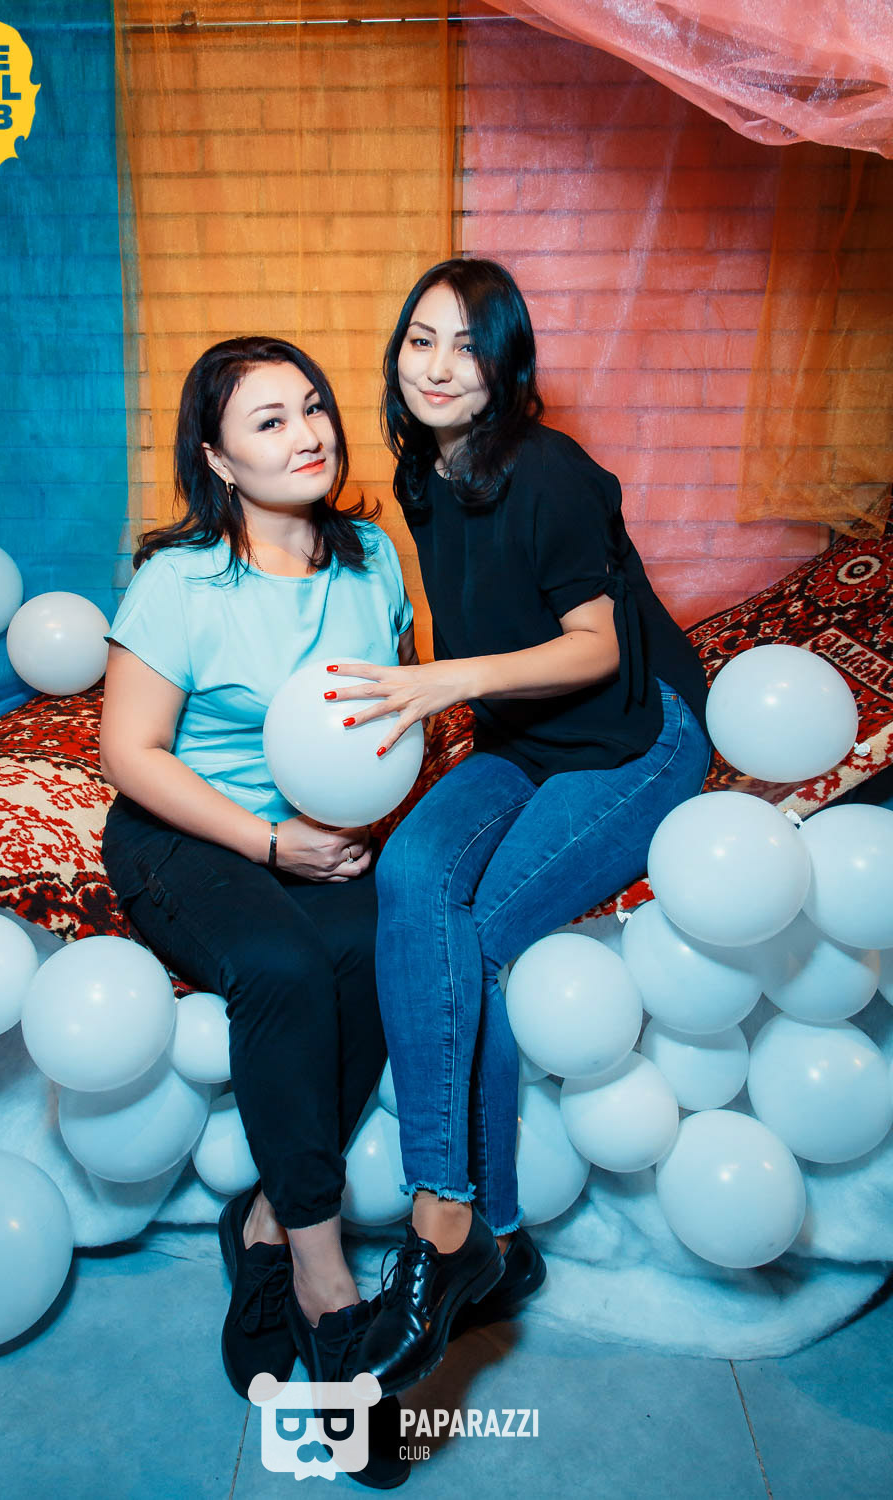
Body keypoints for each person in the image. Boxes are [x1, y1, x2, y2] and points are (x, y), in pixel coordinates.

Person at [322, 259, 711, 1396]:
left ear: (506, 367)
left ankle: (448, 1227)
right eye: (421, 341)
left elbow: (595, 647)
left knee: (483, 934)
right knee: (411, 876)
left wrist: (448, 682)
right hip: (521, 734)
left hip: (633, 734)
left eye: (469, 346)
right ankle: (493, 1241)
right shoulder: (420, 471)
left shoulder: (549, 471)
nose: (440, 367)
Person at [99, 336, 413, 1486]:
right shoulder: (179, 582)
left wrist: (352, 828)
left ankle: (266, 1225)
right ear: (219, 461)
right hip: (189, 831)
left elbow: (395, 712)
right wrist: (272, 843)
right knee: (279, 967)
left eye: (313, 407)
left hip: (324, 836)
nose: (307, 433)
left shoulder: (373, 557)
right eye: (269, 420)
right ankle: (326, 1285)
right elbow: (128, 752)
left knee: (383, 947)